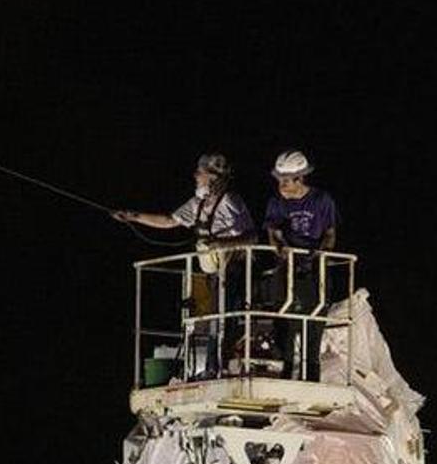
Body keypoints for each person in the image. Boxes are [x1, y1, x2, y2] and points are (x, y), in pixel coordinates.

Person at [113, 154, 256, 378]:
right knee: (213, 319)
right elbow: (170, 221)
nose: (196, 176)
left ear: (214, 177)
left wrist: (220, 242)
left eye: (201, 173)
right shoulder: (197, 203)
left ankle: (216, 366)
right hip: (213, 271)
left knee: (223, 319)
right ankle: (213, 365)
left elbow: (251, 237)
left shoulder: (230, 201)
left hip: (234, 268)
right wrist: (133, 217)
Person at [262, 150, 339, 381]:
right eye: (279, 180)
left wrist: (321, 253)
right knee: (284, 322)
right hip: (287, 267)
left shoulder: (321, 200)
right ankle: (284, 373)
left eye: (286, 181)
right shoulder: (276, 202)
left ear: (300, 179)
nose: (282, 185)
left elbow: (330, 233)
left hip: (315, 268)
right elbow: (272, 232)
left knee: (313, 323)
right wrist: (280, 249)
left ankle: (311, 375)